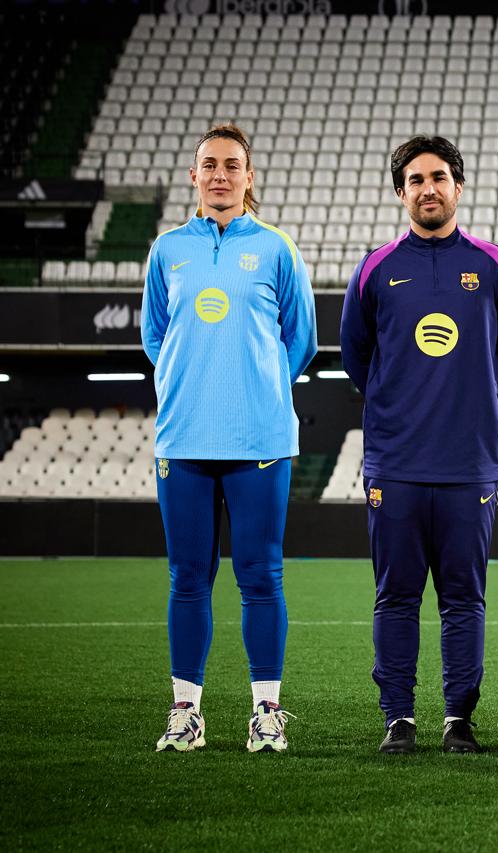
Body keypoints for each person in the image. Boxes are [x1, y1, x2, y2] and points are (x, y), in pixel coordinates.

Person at [340, 135, 498, 754]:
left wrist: (476, 407)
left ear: (458, 186)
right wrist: (399, 406)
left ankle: (458, 719)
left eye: (440, 177)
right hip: (393, 464)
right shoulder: (375, 267)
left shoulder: (494, 264)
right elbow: (355, 357)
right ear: (401, 193)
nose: (429, 188)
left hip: (467, 465)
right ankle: (398, 718)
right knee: (395, 596)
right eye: (416, 180)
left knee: (462, 599)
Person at [142, 124, 317, 753]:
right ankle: (185, 713)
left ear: (249, 177)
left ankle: (265, 713)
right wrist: (191, 386)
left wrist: (257, 386)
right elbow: (154, 339)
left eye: (232, 165)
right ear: (194, 177)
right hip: (184, 437)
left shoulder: (277, 248)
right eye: (209, 165)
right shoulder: (167, 250)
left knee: (261, 576)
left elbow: (301, 341)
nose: (220, 174)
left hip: (260, 437)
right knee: (188, 577)